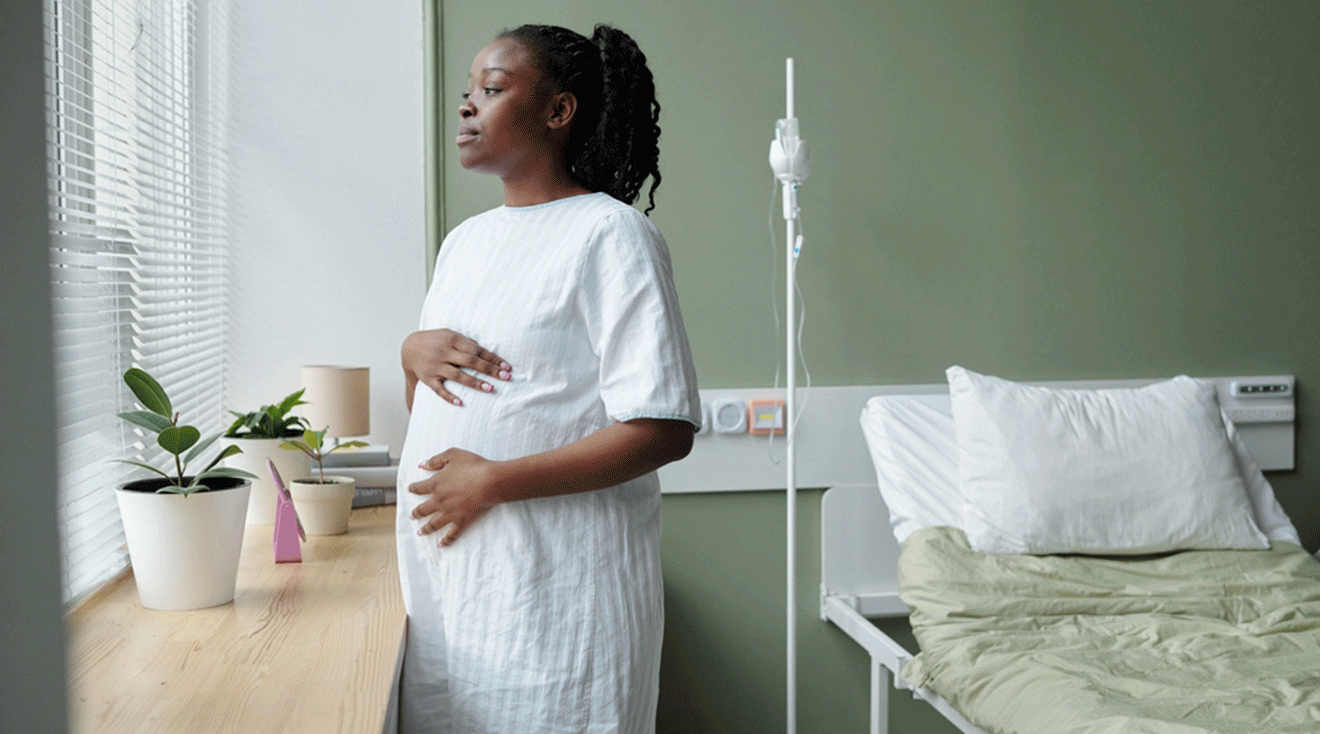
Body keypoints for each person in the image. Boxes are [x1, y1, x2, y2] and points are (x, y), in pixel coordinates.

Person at [395, 23, 701, 734]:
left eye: (493, 89)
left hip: (559, 604)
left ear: (558, 112)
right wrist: (410, 355)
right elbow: (435, 409)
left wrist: (493, 480)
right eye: (468, 90)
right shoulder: (464, 244)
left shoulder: (610, 234)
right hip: (453, 597)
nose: (468, 105)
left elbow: (663, 429)